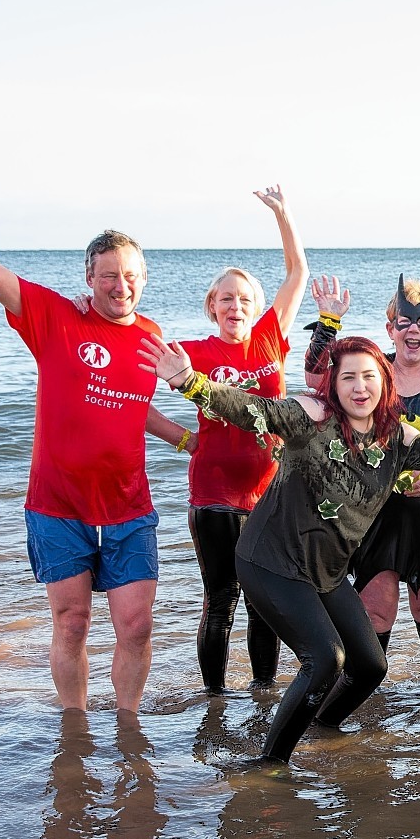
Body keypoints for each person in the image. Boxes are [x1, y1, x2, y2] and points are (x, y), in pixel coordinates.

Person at [138, 311, 420, 763]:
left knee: (369, 665)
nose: (360, 387)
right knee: (325, 659)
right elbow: (253, 410)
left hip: (324, 571)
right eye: (349, 378)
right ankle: (269, 763)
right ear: (335, 385)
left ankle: (322, 726)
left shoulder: (397, 438)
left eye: (369, 377)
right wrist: (190, 381)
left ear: (384, 383)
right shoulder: (311, 417)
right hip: (270, 560)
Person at [0, 158, 165, 713]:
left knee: (136, 626)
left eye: (129, 274)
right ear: (88, 278)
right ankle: (74, 724)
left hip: (129, 507)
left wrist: (186, 440)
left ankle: (129, 726)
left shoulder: (154, 338)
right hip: (58, 506)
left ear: (144, 279)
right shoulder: (56, 318)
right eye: (108, 274)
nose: (119, 285)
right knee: (72, 622)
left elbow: (133, 409)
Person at [147, 186, 307, 694]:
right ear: (212, 308)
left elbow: (297, 272)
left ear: (256, 308)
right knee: (221, 602)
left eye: (244, 299)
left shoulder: (269, 337)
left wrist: (283, 215)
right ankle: (214, 700)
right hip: (213, 496)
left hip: (270, 494)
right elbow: (125, 399)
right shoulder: (190, 351)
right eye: (225, 299)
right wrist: (183, 439)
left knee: (267, 603)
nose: (235, 305)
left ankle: (263, 694)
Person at [302, 274, 420, 682]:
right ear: (390, 329)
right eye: (404, 322)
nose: (413, 330)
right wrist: (328, 323)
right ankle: (364, 702)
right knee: (376, 610)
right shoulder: (371, 373)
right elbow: (315, 381)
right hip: (375, 511)